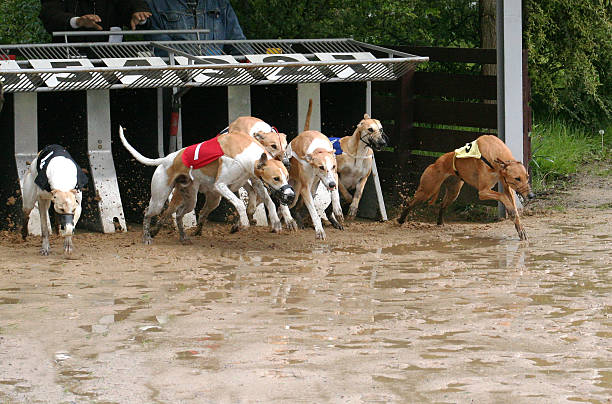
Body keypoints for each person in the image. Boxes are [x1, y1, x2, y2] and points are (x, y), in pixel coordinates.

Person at [39, 0, 152, 42]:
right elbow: (50, 13)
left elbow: (132, 4)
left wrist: (138, 14)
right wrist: (77, 21)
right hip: (70, 57)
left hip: (112, 56)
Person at [145, 0, 246, 42]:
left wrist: (251, 64)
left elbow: (237, 41)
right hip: (176, 77)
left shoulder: (221, 3)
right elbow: (160, 46)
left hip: (217, 76)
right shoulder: (156, 4)